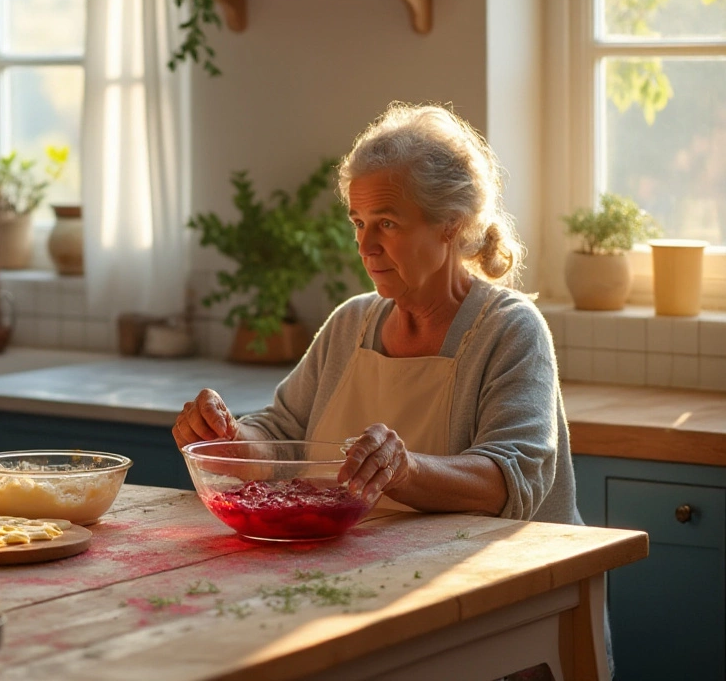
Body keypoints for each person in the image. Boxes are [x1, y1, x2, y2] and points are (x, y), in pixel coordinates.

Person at [173, 102, 582, 525]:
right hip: (375, 570)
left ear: (451, 225)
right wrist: (229, 439)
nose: (365, 247)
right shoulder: (352, 323)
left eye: (386, 223)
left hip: (511, 579)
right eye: (358, 223)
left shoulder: (509, 329)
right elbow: (279, 438)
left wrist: (404, 469)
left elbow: (512, 481)